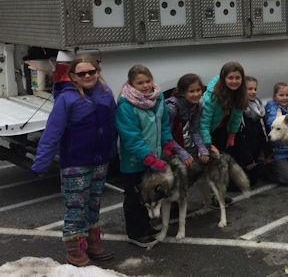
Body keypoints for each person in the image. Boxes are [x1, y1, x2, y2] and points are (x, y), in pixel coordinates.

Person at [30, 54, 116, 266]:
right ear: (73, 77)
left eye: (91, 71)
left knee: (94, 203)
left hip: (101, 160)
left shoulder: (106, 93)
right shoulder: (66, 99)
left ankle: (92, 242)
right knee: (76, 206)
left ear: (98, 72)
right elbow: (52, 133)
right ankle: (74, 249)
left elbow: (116, 124)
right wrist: (41, 163)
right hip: (76, 162)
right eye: (82, 73)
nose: (87, 75)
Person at [115, 64, 188, 248]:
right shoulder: (126, 105)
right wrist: (150, 159)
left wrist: (168, 142)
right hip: (135, 161)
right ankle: (135, 232)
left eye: (148, 81)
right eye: (140, 83)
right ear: (131, 84)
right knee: (134, 197)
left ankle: (145, 227)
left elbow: (164, 125)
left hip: (154, 158)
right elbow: (131, 138)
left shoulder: (158, 98)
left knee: (148, 195)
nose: (145, 85)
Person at [229, 76, 273, 187]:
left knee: (254, 179)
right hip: (242, 153)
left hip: (255, 151)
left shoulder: (258, 107)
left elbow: (264, 132)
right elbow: (238, 137)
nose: (253, 92)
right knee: (248, 182)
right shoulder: (238, 109)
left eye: (255, 89)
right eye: (249, 89)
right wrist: (247, 159)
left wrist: (267, 153)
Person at [200, 62, 248, 156]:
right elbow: (203, 123)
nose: (234, 81)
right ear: (223, 79)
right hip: (208, 131)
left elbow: (237, 116)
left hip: (223, 128)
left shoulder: (240, 93)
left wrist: (232, 135)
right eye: (230, 78)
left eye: (237, 78)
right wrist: (207, 144)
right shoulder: (212, 97)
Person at [165, 73, 209, 164]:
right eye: (191, 91)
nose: (196, 94)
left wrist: (202, 148)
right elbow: (165, 135)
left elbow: (194, 131)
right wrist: (182, 153)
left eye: (198, 90)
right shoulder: (171, 108)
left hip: (179, 138)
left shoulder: (196, 106)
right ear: (182, 92)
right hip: (164, 141)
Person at [265, 82, 288, 185]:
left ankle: (284, 166)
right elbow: (271, 122)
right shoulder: (272, 108)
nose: (284, 98)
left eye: (287, 95)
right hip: (277, 151)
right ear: (275, 96)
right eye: (281, 95)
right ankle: (266, 171)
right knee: (287, 179)